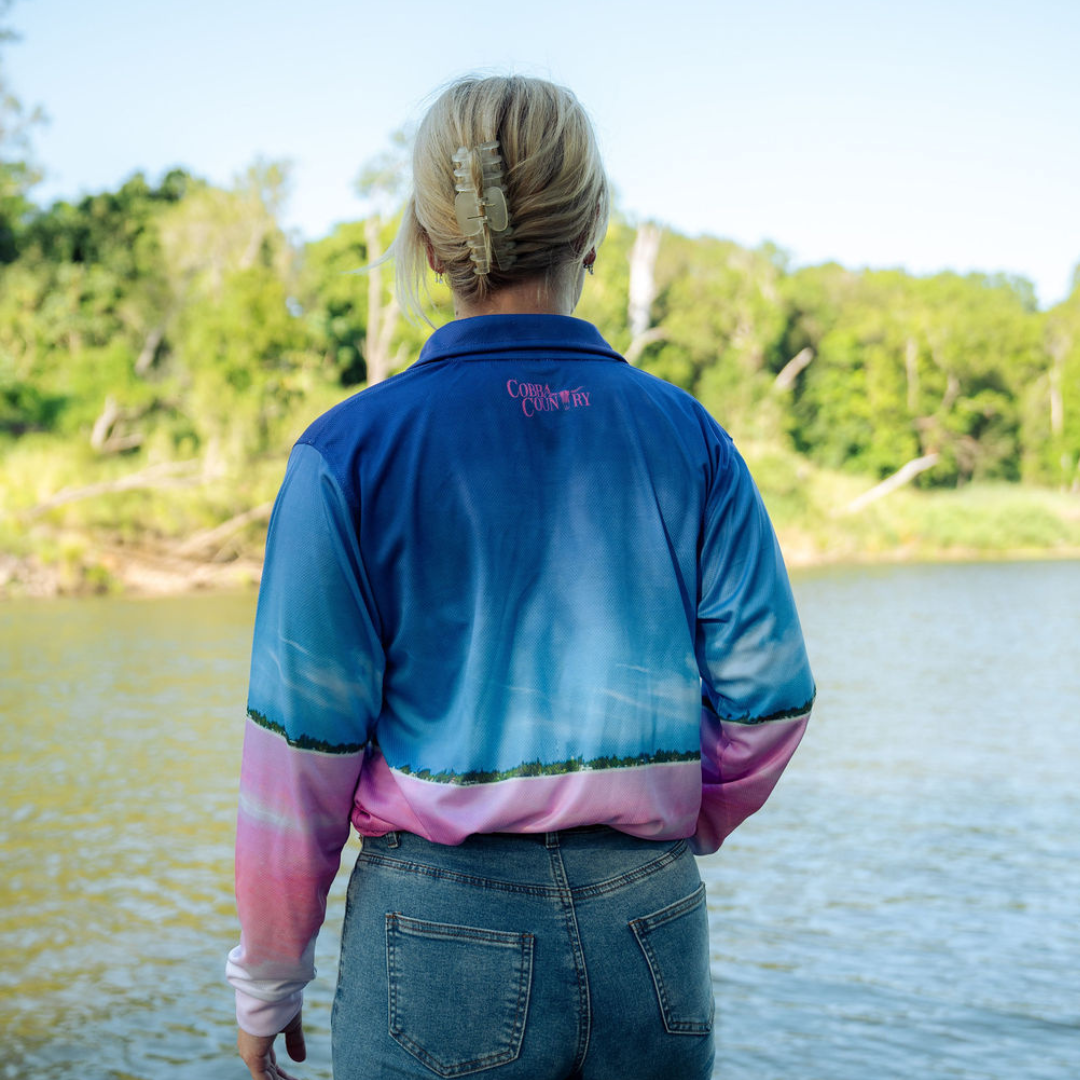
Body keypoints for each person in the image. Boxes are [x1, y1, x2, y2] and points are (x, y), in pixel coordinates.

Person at [227, 75, 814, 1080]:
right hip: (651, 922)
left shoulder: (347, 455)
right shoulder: (692, 440)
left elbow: (300, 759)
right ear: (590, 234)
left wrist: (271, 980)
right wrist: (675, 819)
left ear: (425, 239)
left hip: (437, 929)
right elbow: (770, 701)